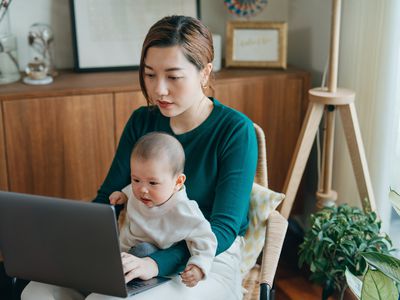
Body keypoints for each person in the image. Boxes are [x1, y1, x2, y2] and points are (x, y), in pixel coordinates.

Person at [22, 15, 257, 300]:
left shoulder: (235, 130)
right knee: (38, 292)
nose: (158, 89)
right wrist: (75, 242)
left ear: (205, 73)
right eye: (149, 74)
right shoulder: (141, 122)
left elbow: (223, 228)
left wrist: (156, 263)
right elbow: (107, 198)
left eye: (173, 76)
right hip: (137, 249)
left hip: (203, 261)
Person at [110, 131, 217, 287]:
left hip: (152, 262)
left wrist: (198, 266)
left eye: (153, 183)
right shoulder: (139, 193)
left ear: (178, 182)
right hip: (123, 252)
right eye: (136, 179)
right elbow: (131, 190)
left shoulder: (184, 210)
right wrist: (123, 195)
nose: (142, 190)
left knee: (143, 250)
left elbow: (205, 238)